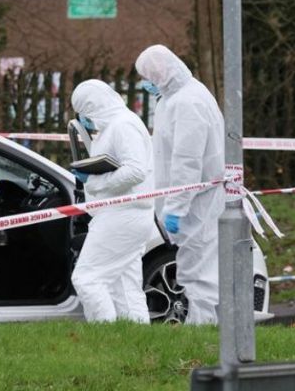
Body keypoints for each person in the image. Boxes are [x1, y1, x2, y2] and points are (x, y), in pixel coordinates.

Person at [135, 44, 225, 325]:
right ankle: (201, 327)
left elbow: (188, 162)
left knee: (199, 269)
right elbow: (165, 153)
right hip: (191, 201)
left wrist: (176, 207)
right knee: (191, 266)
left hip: (198, 202)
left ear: (159, 73)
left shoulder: (189, 102)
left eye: (147, 76)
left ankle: (204, 330)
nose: (145, 83)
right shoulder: (172, 100)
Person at [70, 80, 155, 323]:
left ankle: (103, 336)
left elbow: (136, 171)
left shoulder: (123, 126)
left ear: (92, 107)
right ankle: (136, 341)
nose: (84, 119)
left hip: (123, 213)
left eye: (84, 113)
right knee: (125, 288)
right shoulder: (116, 125)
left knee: (88, 279)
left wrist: (97, 181)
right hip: (127, 213)